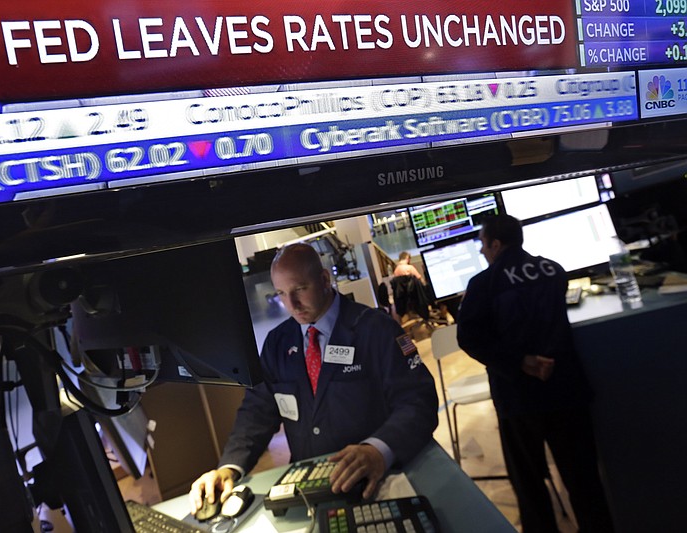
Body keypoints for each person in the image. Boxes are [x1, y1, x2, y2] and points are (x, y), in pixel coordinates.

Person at [190, 243, 438, 513]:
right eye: (281, 294)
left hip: (374, 482)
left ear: (324, 280)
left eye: (299, 289)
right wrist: (230, 466)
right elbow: (257, 410)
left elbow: (418, 400)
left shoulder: (376, 330)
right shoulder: (277, 343)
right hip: (312, 491)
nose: (292, 305)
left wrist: (379, 450)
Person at [456, 215, 614, 533]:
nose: (483, 253)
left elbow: (469, 338)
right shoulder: (554, 270)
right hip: (566, 389)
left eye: (484, 246)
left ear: (496, 244)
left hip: (519, 398)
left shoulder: (483, 284)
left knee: (529, 483)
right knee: (583, 479)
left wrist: (520, 362)